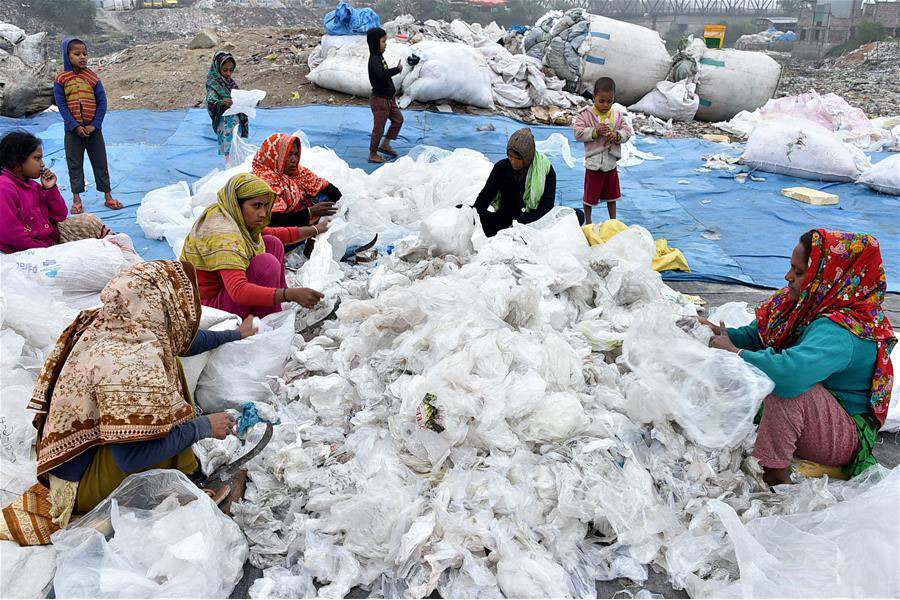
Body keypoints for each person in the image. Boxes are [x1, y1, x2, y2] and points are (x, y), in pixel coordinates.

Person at [0, 261, 250, 546]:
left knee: (171, 367)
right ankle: (173, 486)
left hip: (76, 459)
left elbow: (184, 342)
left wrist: (237, 333)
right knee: (165, 400)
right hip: (79, 486)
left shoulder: (112, 322)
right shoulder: (130, 361)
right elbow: (131, 458)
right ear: (159, 303)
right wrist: (201, 427)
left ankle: (178, 472)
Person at [704, 230, 895, 486]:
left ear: (827, 277)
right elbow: (762, 336)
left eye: (799, 272)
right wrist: (720, 334)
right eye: (791, 268)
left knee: (786, 389)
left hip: (843, 435)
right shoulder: (810, 303)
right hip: (819, 417)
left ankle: (775, 473)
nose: (788, 277)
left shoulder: (842, 330)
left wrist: (736, 353)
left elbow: (789, 377)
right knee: (739, 372)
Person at [181, 173, 325, 319]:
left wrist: (316, 229)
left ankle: (273, 308)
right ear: (237, 204)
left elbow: (274, 233)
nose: (263, 213)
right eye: (256, 206)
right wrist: (289, 295)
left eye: (266, 205)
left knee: (272, 243)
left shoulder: (230, 213)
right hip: (207, 308)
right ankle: (266, 321)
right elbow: (238, 290)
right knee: (266, 264)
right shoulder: (223, 234)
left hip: (223, 292)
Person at [0, 131, 112, 254]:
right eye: (37, 158)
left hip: (50, 240)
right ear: (17, 161)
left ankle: (118, 251)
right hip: (29, 251)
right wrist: (48, 251)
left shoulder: (33, 185)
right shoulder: (4, 188)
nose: (42, 164)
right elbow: (12, 235)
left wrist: (50, 189)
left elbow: (60, 215)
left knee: (90, 222)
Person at [53, 37, 123, 213]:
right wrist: (74, 126)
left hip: (94, 131)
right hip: (72, 132)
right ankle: (77, 199)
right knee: (74, 164)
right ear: (66, 55)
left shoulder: (92, 77)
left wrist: (95, 124)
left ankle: (108, 196)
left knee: (100, 162)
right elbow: (61, 105)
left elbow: (102, 102)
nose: (82, 57)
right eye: (77, 54)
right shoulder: (61, 79)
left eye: (85, 53)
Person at [473, 128, 556, 237]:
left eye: (518, 158)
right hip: (504, 220)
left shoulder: (545, 171)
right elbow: (485, 196)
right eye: (510, 156)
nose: (513, 161)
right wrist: (473, 214)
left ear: (527, 157)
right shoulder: (501, 167)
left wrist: (522, 221)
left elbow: (547, 207)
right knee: (467, 211)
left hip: (532, 222)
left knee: (576, 215)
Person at [573, 77, 633, 224]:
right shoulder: (586, 115)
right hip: (594, 163)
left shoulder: (617, 116)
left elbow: (627, 131)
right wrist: (595, 132)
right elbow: (578, 133)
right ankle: (588, 222)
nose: (605, 105)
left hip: (610, 161)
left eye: (609, 101)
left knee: (612, 195)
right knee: (589, 196)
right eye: (601, 101)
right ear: (594, 97)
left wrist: (617, 135)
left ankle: (613, 221)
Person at [251, 133, 340, 228]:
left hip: (302, 215)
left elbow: (331, 190)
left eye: (296, 154)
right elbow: (273, 220)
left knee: (325, 199)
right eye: (289, 154)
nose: (294, 160)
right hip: (281, 227)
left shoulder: (299, 172)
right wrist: (309, 212)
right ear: (276, 156)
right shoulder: (264, 181)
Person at [367, 27, 403, 164]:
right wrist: (397, 69)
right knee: (379, 128)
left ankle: (385, 144)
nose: (385, 44)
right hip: (380, 101)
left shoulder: (380, 57)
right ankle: (373, 153)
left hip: (389, 100)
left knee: (398, 120)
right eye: (383, 41)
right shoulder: (374, 60)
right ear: (375, 43)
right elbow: (382, 75)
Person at [206, 51, 248, 158]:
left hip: (235, 121)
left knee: (236, 146)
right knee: (229, 149)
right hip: (225, 123)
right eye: (225, 70)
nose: (228, 73)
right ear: (217, 68)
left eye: (230, 70)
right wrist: (222, 102)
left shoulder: (230, 82)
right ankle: (230, 168)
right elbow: (211, 101)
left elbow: (238, 95)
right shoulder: (213, 84)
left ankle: (235, 167)